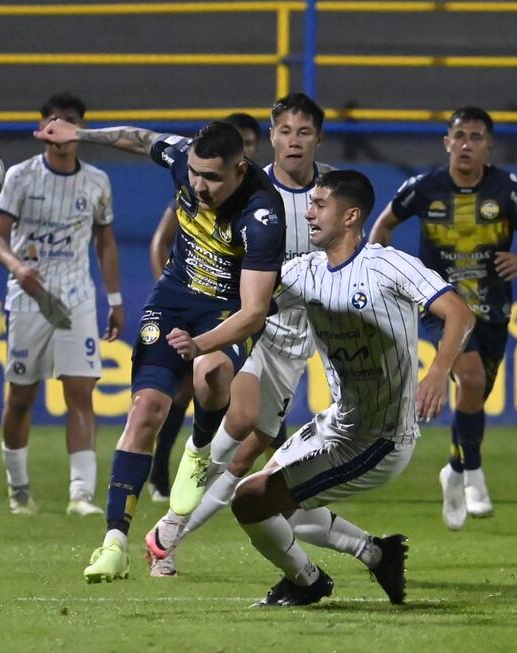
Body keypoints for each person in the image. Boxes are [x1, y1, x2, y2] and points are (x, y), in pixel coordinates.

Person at [179, 170, 475, 606]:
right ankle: (376, 553)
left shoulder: (388, 266)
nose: (309, 212)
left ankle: (308, 581)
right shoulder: (304, 272)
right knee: (272, 501)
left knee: (252, 498)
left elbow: (460, 314)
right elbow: (252, 310)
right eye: (309, 203)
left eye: (319, 204)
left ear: (351, 215)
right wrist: (198, 342)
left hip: (380, 437)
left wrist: (436, 373)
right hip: (337, 422)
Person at [33, 118, 286, 583]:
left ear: (239, 170)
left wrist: (200, 344)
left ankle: (199, 448)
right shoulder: (183, 158)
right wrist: (80, 135)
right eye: (194, 174)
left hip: (226, 311)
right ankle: (113, 544)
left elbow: (253, 312)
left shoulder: (262, 213)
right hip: (173, 300)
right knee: (145, 410)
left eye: (211, 178)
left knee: (210, 373)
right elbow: (141, 137)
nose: (199, 185)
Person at [145, 93, 332, 577]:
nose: (293, 141)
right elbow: (181, 224)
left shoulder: (330, 194)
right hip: (244, 321)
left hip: (296, 334)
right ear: (269, 138)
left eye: (304, 132)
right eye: (285, 131)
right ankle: (169, 532)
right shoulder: (242, 187)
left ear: (317, 139)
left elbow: (343, 256)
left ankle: (167, 532)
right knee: (240, 418)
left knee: (254, 446)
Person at [368, 106, 517, 531]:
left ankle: (454, 468)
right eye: (460, 136)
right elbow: (383, 227)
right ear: (447, 142)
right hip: (442, 303)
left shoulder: (509, 190)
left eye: (476, 137)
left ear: (489, 145)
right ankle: (475, 475)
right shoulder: (424, 188)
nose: (467, 144)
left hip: (493, 307)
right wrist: (387, 272)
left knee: (475, 393)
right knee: (469, 379)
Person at [0, 92, 125, 517]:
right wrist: (18, 268)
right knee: (22, 397)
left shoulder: (97, 181)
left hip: (77, 298)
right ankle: (19, 488)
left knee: (81, 392)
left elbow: (105, 241)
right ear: (43, 128)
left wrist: (115, 300)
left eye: (69, 121)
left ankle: (81, 494)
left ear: (81, 129)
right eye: (53, 120)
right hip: (30, 299)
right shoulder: (21, 177)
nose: (60, 128)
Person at [147, 113, 262, 503]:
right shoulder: (199, 189)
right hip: (206, 308)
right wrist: (172, 294)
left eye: (250, 142)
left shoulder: (262, 202)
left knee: (254, 413)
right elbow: (161, 240)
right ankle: (164, 470)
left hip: (253, 310)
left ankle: (211, 474)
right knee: (185, 390)